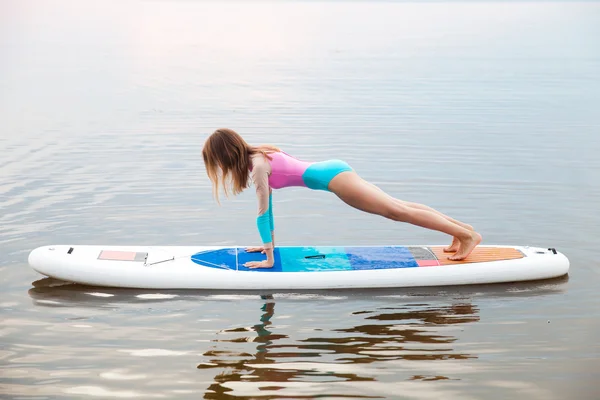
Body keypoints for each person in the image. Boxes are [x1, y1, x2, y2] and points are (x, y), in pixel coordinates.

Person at [202, 128, 482, 269]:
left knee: (396, 211)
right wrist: (268, 246)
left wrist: (270, 258)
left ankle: (464, 235)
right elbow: (269, 210)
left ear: (225, 156)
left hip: (334, 180)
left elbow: (264, 211)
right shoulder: (259, 153)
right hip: (333, 170)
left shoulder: (259, 167)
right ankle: (463, 233)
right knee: (400, 206)